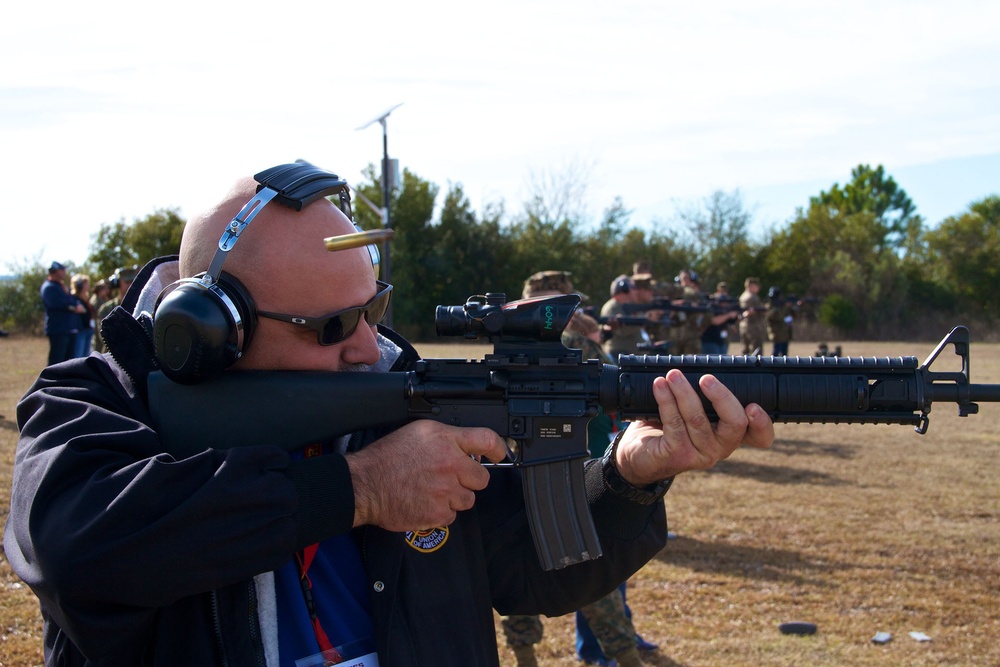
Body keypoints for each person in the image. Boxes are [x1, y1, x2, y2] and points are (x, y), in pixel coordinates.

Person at [4, 162, 774, 666]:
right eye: (334, 326)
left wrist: (627, 478)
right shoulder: (99, 402)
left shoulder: (394, 389)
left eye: (371, 308)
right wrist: (359, 489)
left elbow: (525, 568)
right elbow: (82, 551)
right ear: (210, 332)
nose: (371, 345)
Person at [502, 272, 648, 667]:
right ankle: (624, 655)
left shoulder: (510, 342)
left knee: (517, 571)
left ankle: (525, 655)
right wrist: (594, 340)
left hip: (516, 476)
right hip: (570, 473)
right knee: (592, 575)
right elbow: (613, 393)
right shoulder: (576, 343)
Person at [39, 261, 86, 365]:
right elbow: (57, 304)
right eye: (62, 270)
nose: (65, 272)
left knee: (68, 362)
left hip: (69, 329)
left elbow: (72, 299)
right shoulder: (49, 287)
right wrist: (74, 308)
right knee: (57, 362)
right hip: (59, 329)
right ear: (56, 271)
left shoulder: (61, 286)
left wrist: (77, 304)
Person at [93, 265, 138, 353]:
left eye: (133, 281)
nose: (131, 285)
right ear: (117, 283)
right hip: (112, 356)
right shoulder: (106, 309)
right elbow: (104, 338)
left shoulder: (140, 307)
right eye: (127, 281)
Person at [600, 274, 645, 360]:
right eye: (633, 287)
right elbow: (622, 331)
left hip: (631, 355)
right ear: (624, 289)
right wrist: (644, 320)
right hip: (619, 355)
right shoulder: (612, 307)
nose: (636, 291)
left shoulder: (630, 306)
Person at [701, 281, 740, 355]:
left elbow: (732, 322)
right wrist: (728, 315)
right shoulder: (711, 304)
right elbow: (714, 321)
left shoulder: (725, 308)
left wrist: (737, 315)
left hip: (721, 341)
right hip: (710, 341)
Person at [738, 277, 767, 355]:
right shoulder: (752, 297)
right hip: (754, 327)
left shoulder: (743, 296)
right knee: (756, 351)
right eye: (756, 286)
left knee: (745, 350)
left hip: (744, 326)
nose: (758, 288)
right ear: (750, 286)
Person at [765, 286, 798, 356]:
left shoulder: (783, 306)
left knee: (784, 354)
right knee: (776, 353)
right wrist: (785, 308)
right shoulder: (770, 307)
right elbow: (776, 317)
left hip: (785, 333)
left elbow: (792, 316)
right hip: (776, 333)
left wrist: (792, 307)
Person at [69, 274, 96, 358]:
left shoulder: (86, 297)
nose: (88, 286)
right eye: (85, 283)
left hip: (88, 328)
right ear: (79, 285)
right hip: (80, 330)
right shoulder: (74, 298)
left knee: (86, 356)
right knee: (78, 356)